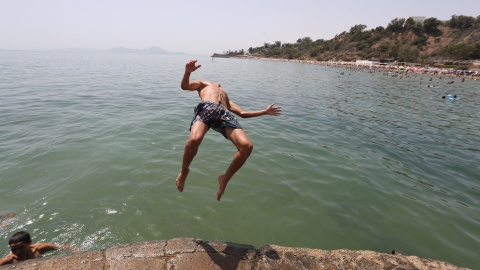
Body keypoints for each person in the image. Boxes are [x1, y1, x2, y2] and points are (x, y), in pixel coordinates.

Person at [176, 60, 282, 201]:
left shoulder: (225, 95)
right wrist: (187, 72)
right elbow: (185, 86)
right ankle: (184, 172)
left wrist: (264, 111)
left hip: (223, 114)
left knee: (247, 147)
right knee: (194, 140)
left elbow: (243, 113)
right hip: (207, 108)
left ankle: (224, 179)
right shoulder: (203, 84)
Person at [0, 231, 77, 266]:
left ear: (29, 242)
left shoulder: (41, 248)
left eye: (21, 248)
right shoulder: (10, 259)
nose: (18, 252)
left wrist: (77, 252)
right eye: (14, 249)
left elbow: (64, 247)